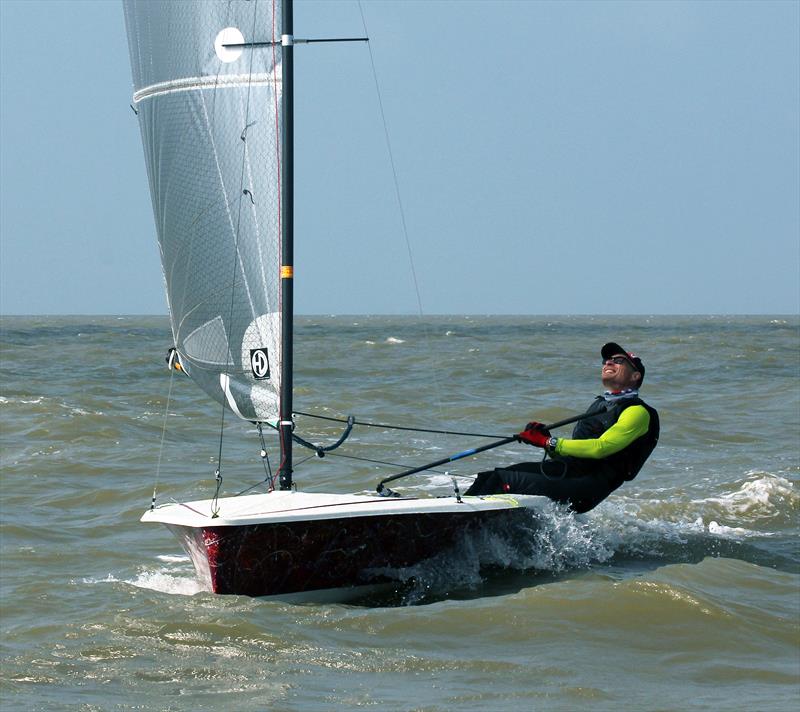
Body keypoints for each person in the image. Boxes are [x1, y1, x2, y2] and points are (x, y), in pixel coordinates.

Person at [464, 342, 659, 513]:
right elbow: (573, 456)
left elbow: (601, 448)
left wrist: (549, 441)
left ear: (635, 375)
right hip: (571, 473)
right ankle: (453, 516)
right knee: (488, 477)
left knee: (501, 481)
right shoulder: (601, 405)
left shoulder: (637, 412)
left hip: (588, 485)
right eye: (607, 360)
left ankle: (456, 524)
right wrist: (546, 444)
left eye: (618, 360)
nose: (608, 362)